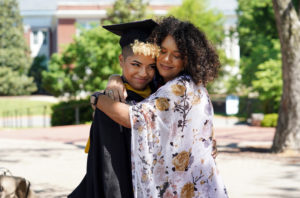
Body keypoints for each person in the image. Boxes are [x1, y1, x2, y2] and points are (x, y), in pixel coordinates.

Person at [95, 16, 228, 198]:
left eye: (177, 55)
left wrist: (97, 99)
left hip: (189, 188)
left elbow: (133, 118)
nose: (166, 59)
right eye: (163, 51)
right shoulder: (172, 84)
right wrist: (115, 78)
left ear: (188, 59)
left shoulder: (180, 86)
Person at [68, 19, 160, 198]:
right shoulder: (112, 104)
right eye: (135, 64)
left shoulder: (159, 94)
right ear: (121, 60)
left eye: (152, 67)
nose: (143, 73)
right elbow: (110, 173)